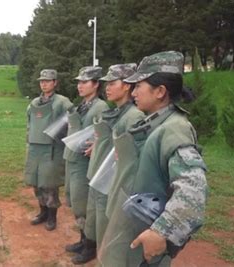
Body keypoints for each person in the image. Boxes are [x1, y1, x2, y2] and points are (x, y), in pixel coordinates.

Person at [98, 51, 208, 266]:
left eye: (139, 85)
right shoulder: (156, 123)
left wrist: (162, 232)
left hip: (145, 236)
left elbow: (194, 190)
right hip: (133, 226)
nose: (134, 92)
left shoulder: (174, 129)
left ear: (160, 91)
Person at [72, 64, 145, 264]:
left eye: (113, 83)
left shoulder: (134, 116)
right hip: (100, 175)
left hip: (111, 181)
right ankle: (91, 248)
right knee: (94, 220)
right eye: (107, 84)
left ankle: (102, 257)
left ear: (127, 87)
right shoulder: (118, 112)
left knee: (106, 225)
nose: (107, 88)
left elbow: (128, 155)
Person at [63, 66, 109, 256]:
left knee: (83, 204)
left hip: (85, 163)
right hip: (72, 159)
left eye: (84, 82)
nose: (80, 86)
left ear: (96, 84)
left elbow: (105, 134)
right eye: (79, 82)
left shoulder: (101, 107)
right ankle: (83, 239)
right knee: (76, 201)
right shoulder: (81, 106)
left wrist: (96, 145)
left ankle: (90, 246)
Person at [24, 69, 73, 231]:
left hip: (52, 150)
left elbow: (73, 121)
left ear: (55, 83)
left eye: (47, 80)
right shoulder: (34, 103)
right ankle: (42, 212)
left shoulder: (62, 102)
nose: (44, 83)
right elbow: (29, 123)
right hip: (35, 148)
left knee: (49, 183)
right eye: (42, 81)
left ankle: (52, 216)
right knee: (37, 182)